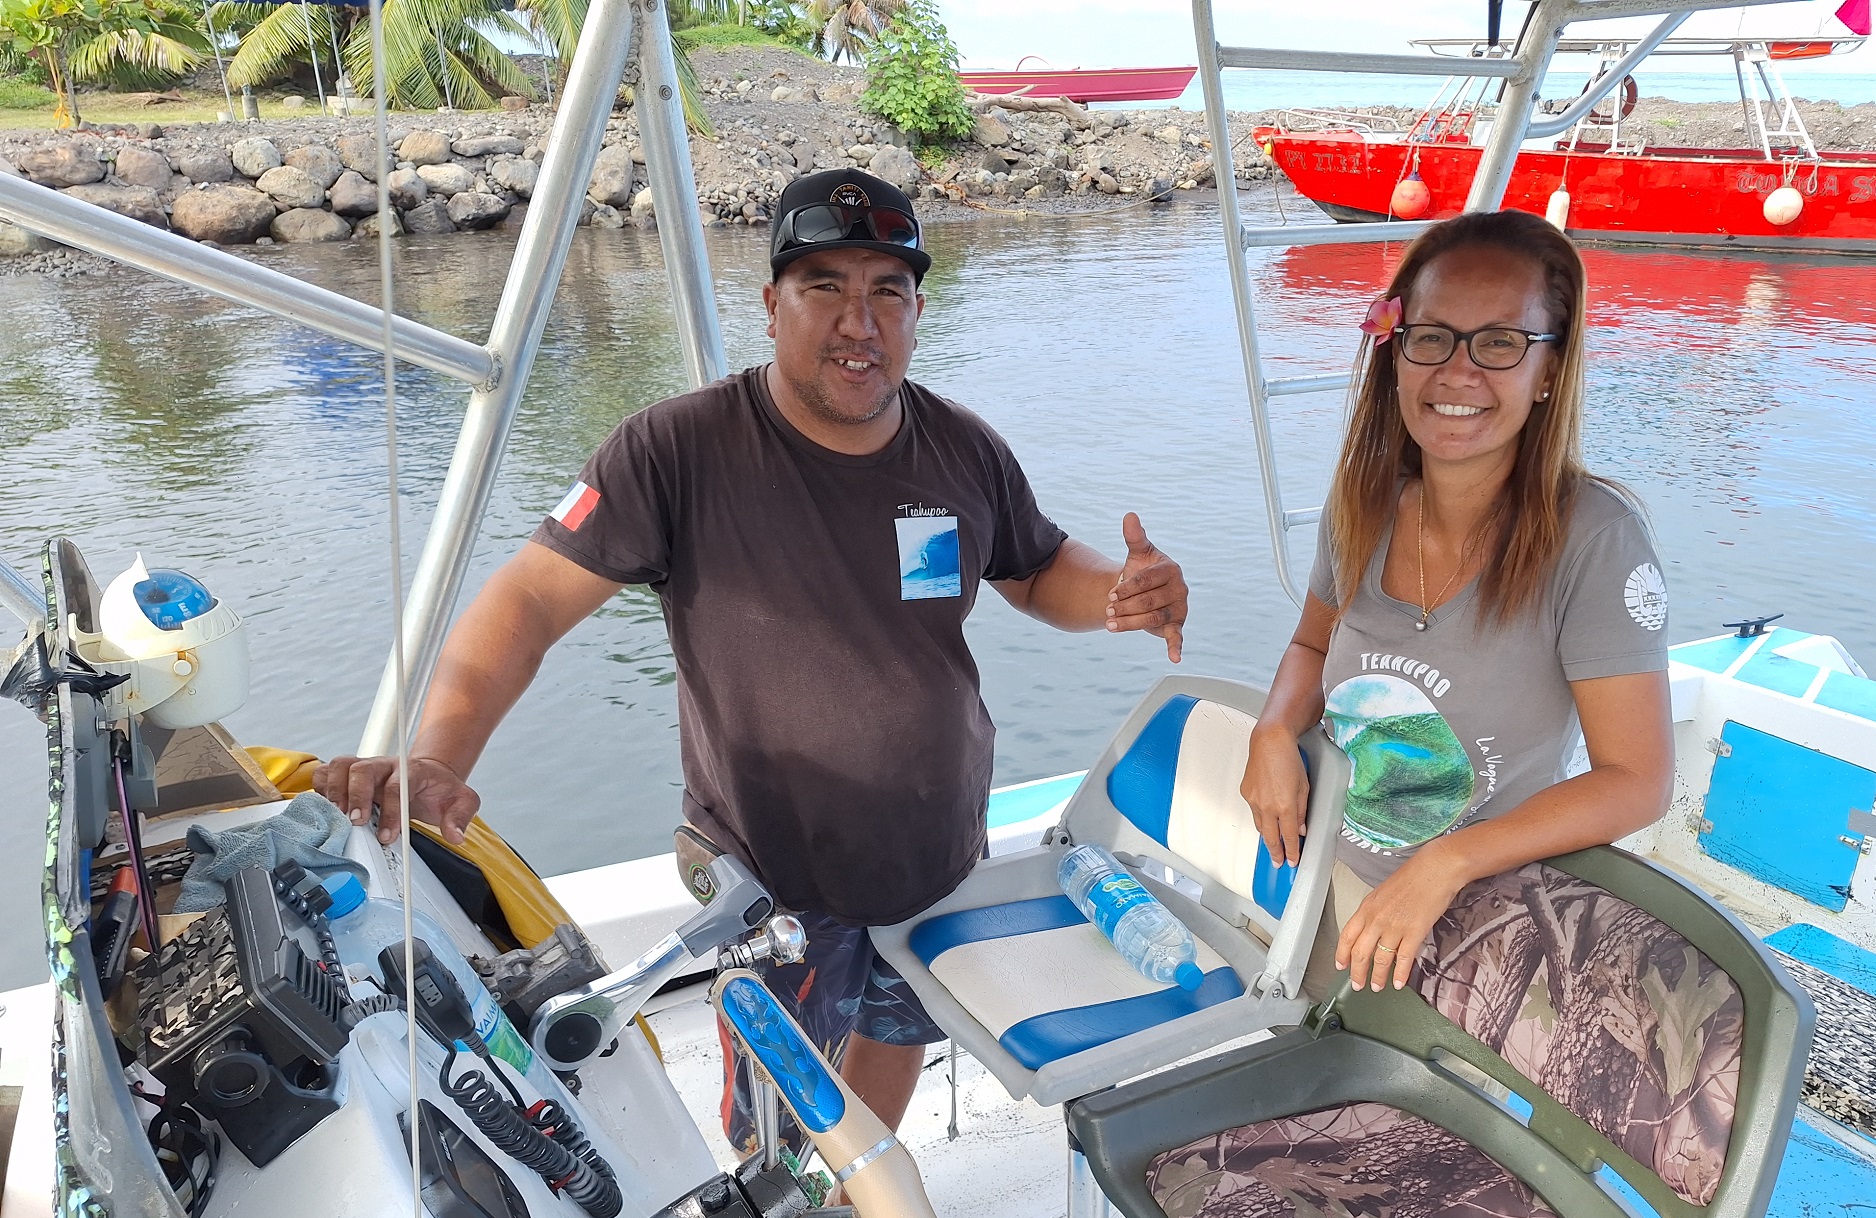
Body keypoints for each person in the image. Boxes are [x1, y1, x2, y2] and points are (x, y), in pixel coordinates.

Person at [315, 169, 1190, 1156]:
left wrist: (1116, 591)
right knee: (773, 1111)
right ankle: (785, 1212)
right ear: (771, 304)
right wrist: (439, 755)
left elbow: (1034, 569)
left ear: (916, 309)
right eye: (824, 286)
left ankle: (861, 1205)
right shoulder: (673, 452)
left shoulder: (960, 448)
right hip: (768, 880)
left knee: (896, 1029)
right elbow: (523, 604)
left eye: (885, 292)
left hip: (938, 851)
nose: (858, 323)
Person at [1239, 209, 1672, 998]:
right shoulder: (1362, 504)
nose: (1459, 371)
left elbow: (1637, 779)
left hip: (1471, 918)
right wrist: (1273, 728)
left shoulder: (1597, 541)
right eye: (1432, 336)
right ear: (1396, 353)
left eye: (1501, 343)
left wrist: (1447, 861)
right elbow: (1310, 646)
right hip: (1309, 877)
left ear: (1549, 372)